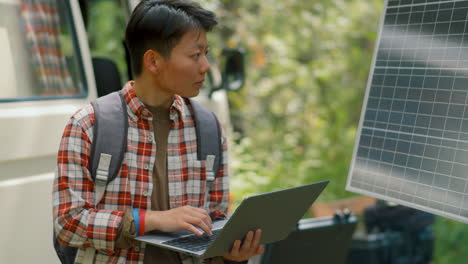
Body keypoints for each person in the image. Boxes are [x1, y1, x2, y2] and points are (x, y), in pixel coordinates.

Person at [52, 0, 264, 263]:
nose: (206, 65)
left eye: (206, 53)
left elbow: (214, 225)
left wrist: (233, 256)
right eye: (195, 55)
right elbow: (68, 223)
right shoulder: (88, 125)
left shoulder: (209, 128)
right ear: (153, 61)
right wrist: (151, 220)